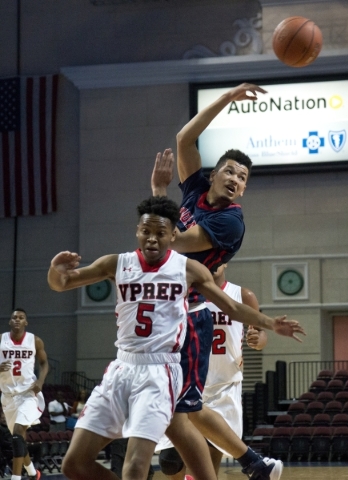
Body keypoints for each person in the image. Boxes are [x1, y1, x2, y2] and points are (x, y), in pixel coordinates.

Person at [47, 196, 304, 480]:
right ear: (137, 231)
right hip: (121, 368)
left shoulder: (188, 269)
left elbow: (230, 307)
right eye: (146, 231)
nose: (152, 239)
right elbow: (64, 283)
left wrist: (270, 323)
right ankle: (255, 466)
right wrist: (55, 272)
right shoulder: (116, 264)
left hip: (160, 370)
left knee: (136, 467)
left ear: (172, 235)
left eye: (160, 233)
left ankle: (251, 463)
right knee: (74, 464)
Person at [150, 82, 292, 480]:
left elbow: (174, 239)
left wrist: (159, 192)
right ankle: (255, 463)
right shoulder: (195, 190)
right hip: (169, 311)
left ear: (243, 189)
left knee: (179, 423)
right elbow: (185, 138)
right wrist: (227, 99)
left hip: (189, 316)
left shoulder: (230, 220)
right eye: (230, 170)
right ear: (214, 175)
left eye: (243, 177)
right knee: (173, 434)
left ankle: (253, 462)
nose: (235, 178)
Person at [158, 264, 268, 479]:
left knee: (210, 457)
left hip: (223, 386)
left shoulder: (242, 295)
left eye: (216, 258)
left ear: (225, 261)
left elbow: (261, 335)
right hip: (187, 381)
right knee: (170, 464)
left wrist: (258, 340)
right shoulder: (183, 293)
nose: (211, 263)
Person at [0, 308, 49, 480]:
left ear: (26, 322)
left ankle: (16, 478)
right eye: (14, 317)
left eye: (21, 318)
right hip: (7, 396)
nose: (17, 320)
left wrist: (40, 381)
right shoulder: (1, 339)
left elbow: (44, 363)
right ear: (10, 321)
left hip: (27, 393)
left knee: (18, 431)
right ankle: (33, 473)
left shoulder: (34, 341)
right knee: (18, 438)